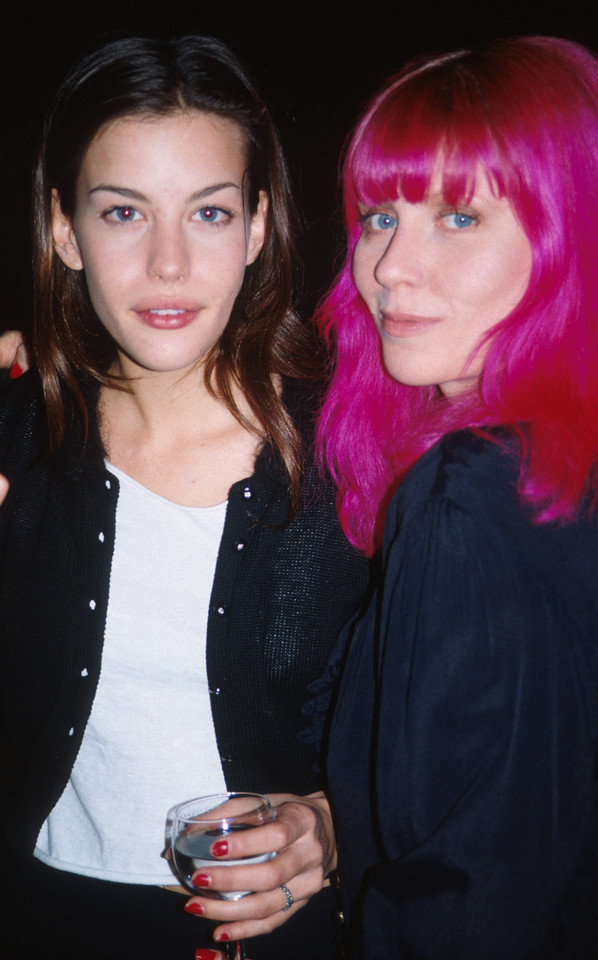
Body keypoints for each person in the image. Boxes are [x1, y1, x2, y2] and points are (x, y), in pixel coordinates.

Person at [0, 36, 369, 960]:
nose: (168, 265)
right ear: (61, 229)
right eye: (123, 211)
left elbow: (457, 741)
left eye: (208, 213)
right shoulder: (20, 432)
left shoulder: (358, 456)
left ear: (255, 226)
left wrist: (333, 820)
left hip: (274, 940)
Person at [313, 34, 598, 960]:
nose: (391, 267)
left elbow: (461, 903)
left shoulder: (468, 492)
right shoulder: (553, 470)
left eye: (460, 219)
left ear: (573, 234)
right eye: (381, 215)